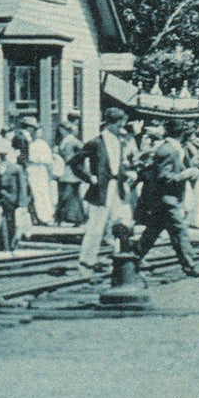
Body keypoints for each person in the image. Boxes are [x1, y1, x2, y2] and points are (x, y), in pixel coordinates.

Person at [132, 116, 199, 277]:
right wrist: (185, 175)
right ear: (181, 133)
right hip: (166, 199)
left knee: (152, 232)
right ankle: (190, 266)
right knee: (180, 232)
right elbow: (163, 177)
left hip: (166, 198)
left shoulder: (174, 148)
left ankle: (133, 259)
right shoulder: (168, 150)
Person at [69, 107, 133, 273]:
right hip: (101, 190)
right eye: (120, 125)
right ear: (111, 124)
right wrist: (89, 177)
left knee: (121, 222)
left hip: (116, 189)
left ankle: (120, 257)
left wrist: (125, 176)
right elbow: (74, 162)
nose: (122, 129)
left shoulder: (119, 142)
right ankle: (86, 260)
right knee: (96, 227)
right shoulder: (96, 143)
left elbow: (115, 168)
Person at [21, 117, 56, 226]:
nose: (35, 132)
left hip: (39, 169)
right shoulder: (26, 143)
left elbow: (48, 161)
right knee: (31, 194)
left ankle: (46, 217)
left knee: (42, 193)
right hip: (29, 169)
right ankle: (33, 217)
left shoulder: (42, 144)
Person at [54, 119, 88, 226]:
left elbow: (83, 151)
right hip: (65, 170)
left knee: (70, 194)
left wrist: (74, 160)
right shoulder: (64, 141)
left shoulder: (72, 141)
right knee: (68, 193)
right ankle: (72, 217)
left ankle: (73, 218)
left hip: (71, 171)